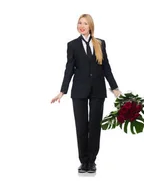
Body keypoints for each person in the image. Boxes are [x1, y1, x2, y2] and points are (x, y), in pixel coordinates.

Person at [51, 14, 122, 174]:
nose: (81, 26)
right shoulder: (72, 45)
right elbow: (69, 69)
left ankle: (92, 161)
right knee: (81, 126)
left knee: (95, 126)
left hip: (98, 90)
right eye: (79, 23)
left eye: (84, 23)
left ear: (90, 26)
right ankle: (83, 162)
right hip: (79, 91)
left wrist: (115, 88)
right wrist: (62, 91)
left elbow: (106, 68)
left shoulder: (100, 43)